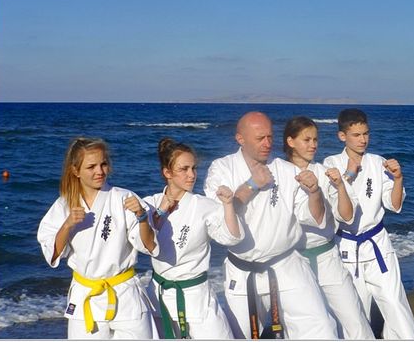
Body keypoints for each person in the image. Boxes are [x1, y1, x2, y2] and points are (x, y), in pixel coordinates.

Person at [204, 111, 338, 339]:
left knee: (322, 329)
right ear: (240, 139)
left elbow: (314, 218)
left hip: (287, 265)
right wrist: (251, 185)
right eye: (260, 138)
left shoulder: (287, 170)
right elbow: (220, 220)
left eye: (270, 137)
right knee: (240, 336)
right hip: (243, 270)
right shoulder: (222, 168)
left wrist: (315, 192)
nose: (267, 144)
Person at [37, 137, 158, 339]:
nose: (100, 171)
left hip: (125, 294)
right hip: (86, 295)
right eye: (91, 167)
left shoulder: (124, 198)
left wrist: (142, 217)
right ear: (75, 171)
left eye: (103, 164)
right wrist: (67, 225)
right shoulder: (64, 204)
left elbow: (149, 245)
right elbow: (53, 253)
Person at [133, 137, 244, 339]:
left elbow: (231, 238)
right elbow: (143, 245)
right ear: (167, 173)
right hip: (160, 296)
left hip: (197, 296)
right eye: (184, 169)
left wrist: (228, 205)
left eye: (193, 168)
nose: (192, 175)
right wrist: (160, 212)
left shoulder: (204, 206)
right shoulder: (149, 204)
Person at [323, 108, 414, 339]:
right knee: (357, 310)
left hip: (377, 243)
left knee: (394, 302)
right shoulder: (331, 163)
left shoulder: (378, 162)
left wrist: (398, 178)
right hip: (346, 246)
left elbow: (394, 205)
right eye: (356, 135)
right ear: (342, 136)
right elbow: (335, 208)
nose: (363, 140)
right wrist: (348, 175)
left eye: (366, 133)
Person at [283, 116, 375, 340]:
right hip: (293, 261)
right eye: (306, 140)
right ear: (291, 141)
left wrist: (341, 185)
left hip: (327, 256)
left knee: (355, 319)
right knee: (306, 327)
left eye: (315, 139)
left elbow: (347, 216)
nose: (313, 145)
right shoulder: (277, 174)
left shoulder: (325, 173)